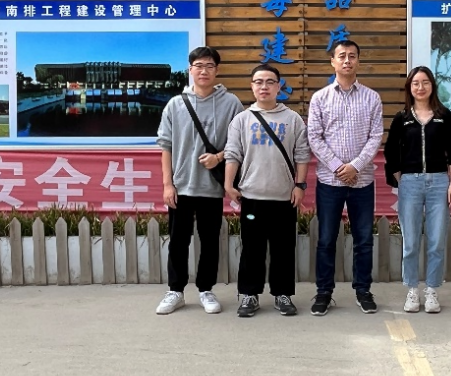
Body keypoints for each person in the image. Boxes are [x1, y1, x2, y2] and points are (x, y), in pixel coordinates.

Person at [155, 46, 244, 315]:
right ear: (190, 70)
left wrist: (218, 157)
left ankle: (206, 289)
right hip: (182, 185)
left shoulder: (231, 103)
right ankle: (176, 291)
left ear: (217, 70)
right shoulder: (175, 104)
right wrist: (168, 184)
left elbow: (240, 143)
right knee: (178, 241)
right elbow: (166, 145)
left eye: (209, 66)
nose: (204, 71)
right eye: (199, 66)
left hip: (212, 187)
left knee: (209, 241)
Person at [224, 64, 311, 318]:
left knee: (283, 249)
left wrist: (300, 185)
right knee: (252, 249)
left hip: (284, 197)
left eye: (270, 82)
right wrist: (229, 184)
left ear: (278, 86)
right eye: (258, 82)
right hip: (252, 197)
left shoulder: (292, 119)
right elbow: (233, 154)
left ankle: (282, 295)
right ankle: (249, 295)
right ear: (252, 86)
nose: (264, 86)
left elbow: (302, 154)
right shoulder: (242, 120)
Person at [307, 39, 384, 315]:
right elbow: (314, 137)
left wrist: (356, 167)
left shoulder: (372, 98)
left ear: (358, 61)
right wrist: (339, 167)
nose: (347, 60)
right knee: (326, 239)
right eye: (341, 56)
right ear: (333, 61)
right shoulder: (320, 98)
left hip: (362, 182)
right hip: (330, 182)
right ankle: (323, 293)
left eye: (352, 56)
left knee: (364, 239)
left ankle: (363, 290)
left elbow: (376, 136)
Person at [384, 66, 451, 314]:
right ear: (409, 87)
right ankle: (412, 290)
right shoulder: (402, 118)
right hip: (411, 183)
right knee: (411, 242)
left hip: (439, 182)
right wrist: (401, 177)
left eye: (425, 82)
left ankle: (432, 291)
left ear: (432, 86)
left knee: (436, 241)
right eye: (415, 83)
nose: (420, 87)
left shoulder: (444, 116)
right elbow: (390, 150)